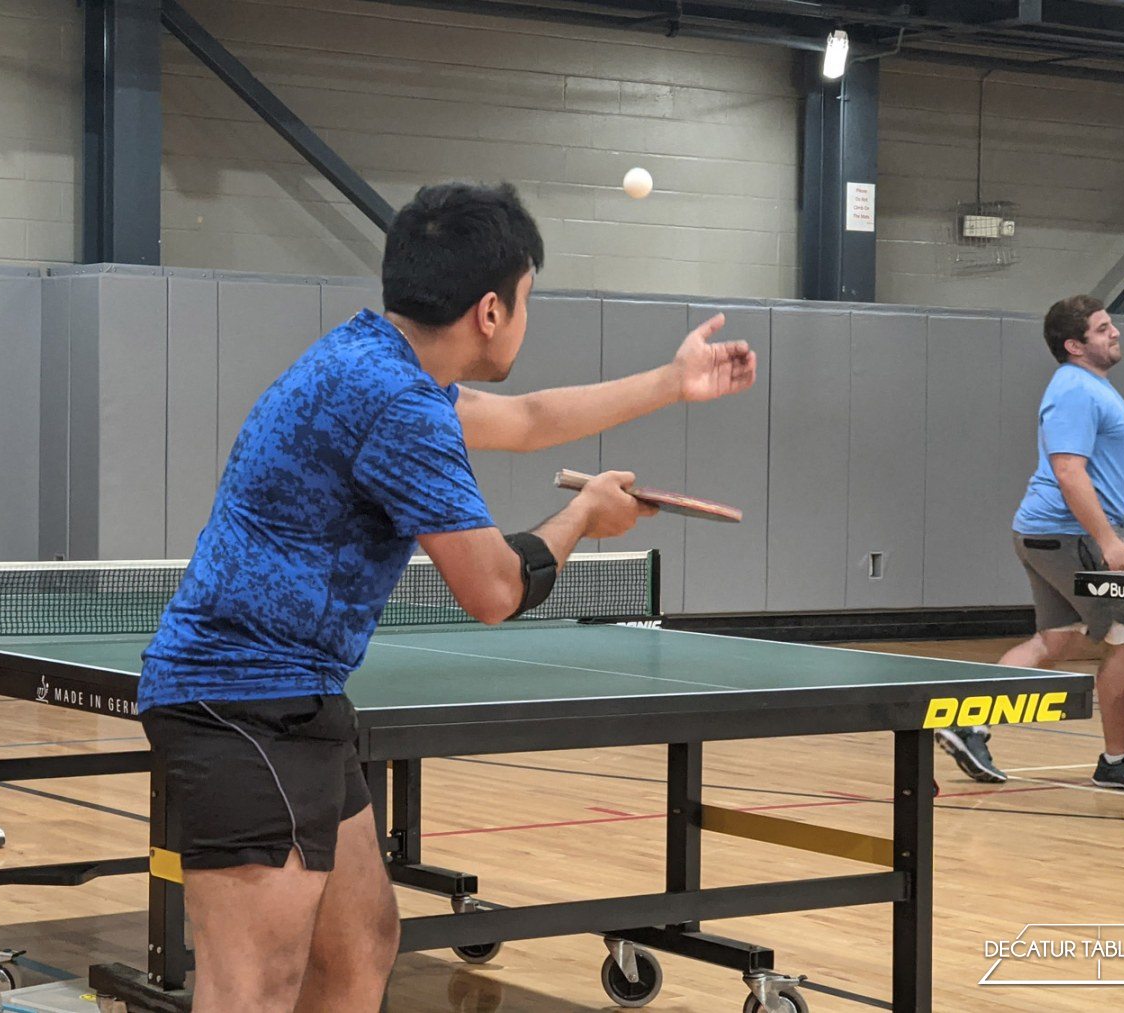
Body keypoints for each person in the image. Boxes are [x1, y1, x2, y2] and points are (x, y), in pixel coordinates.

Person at [136, 181, 758, 1012]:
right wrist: (583, 517)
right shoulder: (399, 404)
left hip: (299, 696)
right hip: (241, 702)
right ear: (491, 311)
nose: (527, 316)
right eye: (528, 298)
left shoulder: (369, 356)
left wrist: (673, 382)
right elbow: (494, 589)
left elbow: (528, 419)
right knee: (255, 987)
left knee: (361, 943)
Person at [938, 295, 1124, 792]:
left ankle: (968, 724)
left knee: (1057, 639)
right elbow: (1069, 472)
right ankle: (1118, 760)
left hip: (1048, 535)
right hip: (1067, 536)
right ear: (1075, 345)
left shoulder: (1095, 388)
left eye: (1111, 325)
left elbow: (1112, 469)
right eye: (1102, 328)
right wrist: (1107, 539)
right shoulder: (1073, 391)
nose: (1115, 332)